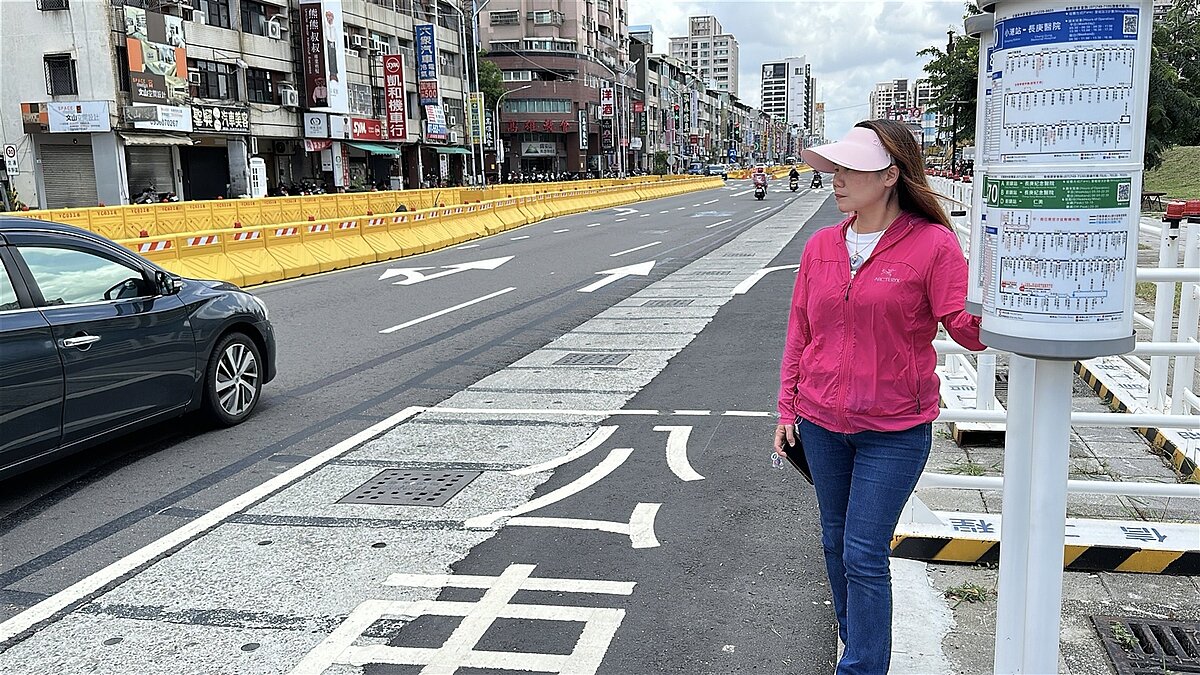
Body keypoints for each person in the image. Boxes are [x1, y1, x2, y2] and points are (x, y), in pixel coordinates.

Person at [774, 119, 984, 675]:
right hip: (820, 422)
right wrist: (786, 408)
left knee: (864, 553)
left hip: (894, 429)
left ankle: (861, 666)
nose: (837, 178)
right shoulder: (821, 245)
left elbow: (961, 323)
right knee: (835, 544)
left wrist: (1012, 306)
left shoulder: (933, 244)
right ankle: (856, 646)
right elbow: (801, 330)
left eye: (851, 168)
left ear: (890, 175)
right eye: (835, 167)